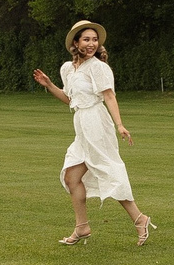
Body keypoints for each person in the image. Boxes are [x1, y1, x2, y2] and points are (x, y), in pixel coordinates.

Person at [33, 20, 153, 246]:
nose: (91, 44)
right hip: (81, 123)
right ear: (75, 43)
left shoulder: (99, 67)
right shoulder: (68, 68)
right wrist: (49, 85)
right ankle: (82, 227)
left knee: (108, 170)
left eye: (94, 40)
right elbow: (70, 100)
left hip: (97, 123)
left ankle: (140, 219)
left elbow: (109, 96)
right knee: (71, 177)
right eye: (86, 39)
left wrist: (119, 125)